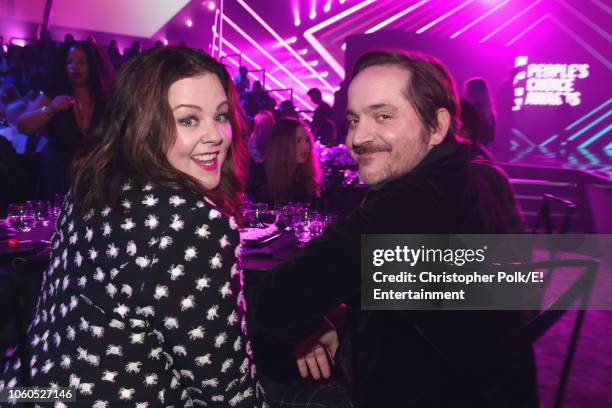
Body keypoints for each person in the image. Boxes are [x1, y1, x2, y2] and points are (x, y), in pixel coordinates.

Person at [252, 50, 536, 407]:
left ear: (437, 126)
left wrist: (317, 323)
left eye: (383, 116)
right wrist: (342, 325)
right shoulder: (475, 178)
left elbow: (277, 304)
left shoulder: (413, 199)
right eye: (354, 120)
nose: (357, 138)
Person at [0, 46, 261, 407]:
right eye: (189, 119)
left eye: (221, 115)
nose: (217, 135)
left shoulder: (93, 185)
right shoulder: (192, 222)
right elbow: (226, 391)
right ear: (144, 123)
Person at [17, 41, 115, 198]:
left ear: (94, 65)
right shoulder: (54, 94)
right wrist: (51, 109)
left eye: (82, 62)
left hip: (93, 178)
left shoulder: (105, 100)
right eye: (69, 62)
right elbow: (23, 125)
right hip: (57, 175)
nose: (74, 67)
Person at [248, 118, 322, 206]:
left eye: (307, 140)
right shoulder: (259, 177)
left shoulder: (305, 180)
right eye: (298, 141)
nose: (306, 146)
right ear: (282, 145)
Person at [465, 77, 496, 146]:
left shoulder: (472, 110)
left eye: (468, 91)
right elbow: (490, 137)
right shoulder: (488, 113)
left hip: (472, 150)